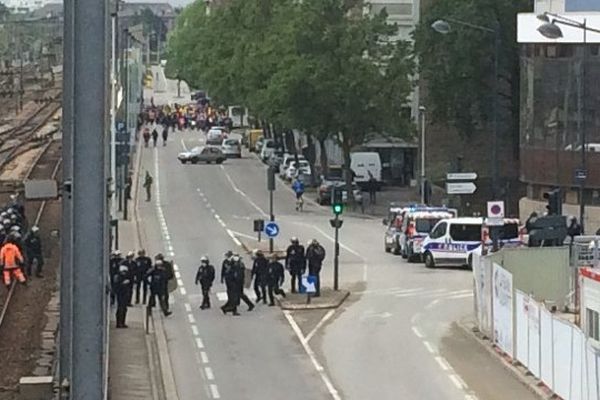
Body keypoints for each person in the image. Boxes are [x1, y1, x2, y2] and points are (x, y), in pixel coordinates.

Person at [221, 251, 240, 315]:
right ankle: (227, 309)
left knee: (234, 296)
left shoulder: (234, 262)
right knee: (232, 296)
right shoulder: (225, 262)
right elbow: (223, 270)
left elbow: (237, 270)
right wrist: (222, 278)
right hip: (229, 281)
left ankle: (232, 310)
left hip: (234, 281)